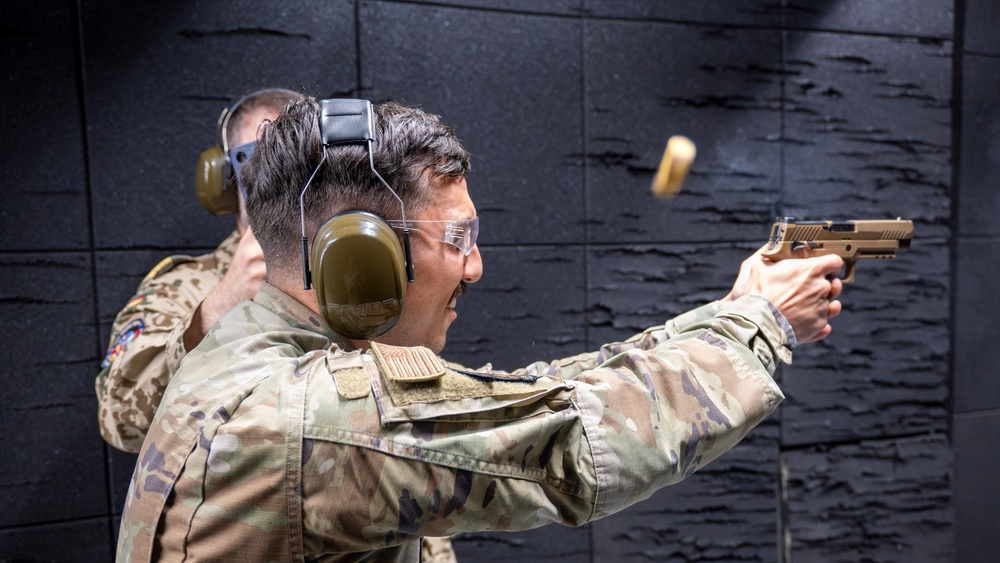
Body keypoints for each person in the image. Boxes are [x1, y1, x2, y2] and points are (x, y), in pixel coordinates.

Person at [117, 97, 844, 561]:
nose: (475, 268)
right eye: (458, 238)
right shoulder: (314, 414)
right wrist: (764, 320)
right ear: (361, 260)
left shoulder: (253, 343)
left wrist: (730, 309)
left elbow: (532, 395)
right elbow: (578, 440)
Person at [94, 88, 301, 453]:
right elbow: (120, 420)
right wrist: (219, 308)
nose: (284, 185)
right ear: (224, 182)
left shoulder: (358, 274)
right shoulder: (188, 287)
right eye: (263, 164)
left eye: (302, 165)